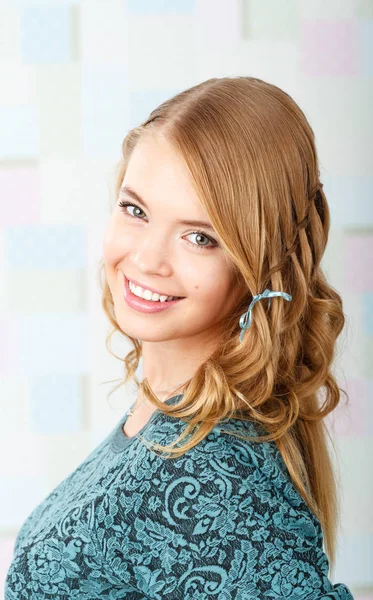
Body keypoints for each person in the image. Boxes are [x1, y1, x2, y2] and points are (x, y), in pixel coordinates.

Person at [5, 76, 354, 599]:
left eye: (199, 237)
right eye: (136, 210)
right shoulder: (170, 413)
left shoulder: (219, 478)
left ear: (259, 265)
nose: (146, 259)